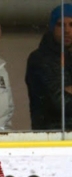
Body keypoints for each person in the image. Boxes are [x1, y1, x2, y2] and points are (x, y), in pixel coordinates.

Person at [26, 3, 72, 131]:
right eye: (61, 25)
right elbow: (61, 103)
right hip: (50, 136)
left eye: (71, 25)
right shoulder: (40, 59)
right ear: (52, 28)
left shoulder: (69, 57)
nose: (67, 30)